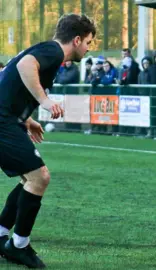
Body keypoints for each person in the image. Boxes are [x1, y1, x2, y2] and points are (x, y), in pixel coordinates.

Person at [0, 14, 95, 268]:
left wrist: (26, 119)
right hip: (2, 121)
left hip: (8, 119)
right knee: (39, 177)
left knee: (28, 179)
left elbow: (8, 78)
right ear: (76, 40)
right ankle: (18, 245)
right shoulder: (52, 51)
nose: (88, 49)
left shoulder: (47, 52)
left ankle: (1, 236)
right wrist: (44, 101)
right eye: (88, 42)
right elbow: (24, 67)